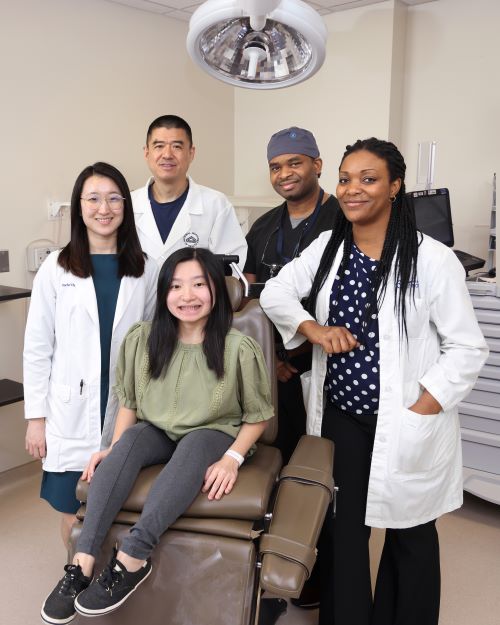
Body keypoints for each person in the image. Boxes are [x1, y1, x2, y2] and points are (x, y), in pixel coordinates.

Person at [260, 138, 488, 625]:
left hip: (406, 416)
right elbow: (277, 292)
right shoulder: (328, 249)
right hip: (342, 417)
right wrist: (313, 330)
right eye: (345, 179)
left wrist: (426, 405)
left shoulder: (431, 259)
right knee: (343, 532)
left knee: (411, 529)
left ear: (395, 187)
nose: (351, 189)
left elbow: (467, 347)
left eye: (368, 179)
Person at [40, 247, 273, 625]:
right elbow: (129, 403)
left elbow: (259, 417)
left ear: (216, 290)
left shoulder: (237, 348)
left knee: (196, 444)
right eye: (177, 286)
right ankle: (82, 564)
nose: (187, 295)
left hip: (214, 431)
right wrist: (114, 449)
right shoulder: (143, 340)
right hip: (158, 429)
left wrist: (232, 458)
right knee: (128, 444)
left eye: (199, 284)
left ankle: (132, 557)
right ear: (164, 293)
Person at [24, 162, 158, 549]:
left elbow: (152, 340)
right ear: (79, 207)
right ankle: (74, 571)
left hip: (125, 403)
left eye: (114, 198)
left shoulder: (145, 268)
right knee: (72, 507)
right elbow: (37, 347)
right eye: (94, 199)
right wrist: (36, 419)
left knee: (121, 497)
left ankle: (103, 574)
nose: (104, 208)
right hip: (70, 405)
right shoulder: (55, 267)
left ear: (125, 208)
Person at [244, 126, 340, 465]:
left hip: (327, 360)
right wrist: (272, 357)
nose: (284, 174)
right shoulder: (263, 226)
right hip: (271, 362)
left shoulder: (344, 219)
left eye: (294, 163)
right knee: (275, 453)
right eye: (275, 166)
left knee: (326, 459)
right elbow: (248, 298)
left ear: (317, 165)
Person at [132, 114, 247, 270]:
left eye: (177, 146)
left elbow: (232, 268)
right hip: (139, 295)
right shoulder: (128, 206)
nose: (167, 154)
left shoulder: (216, 204)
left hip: (195, 295)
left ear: (191, 153)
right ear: (146, 153)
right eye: (159, 146)